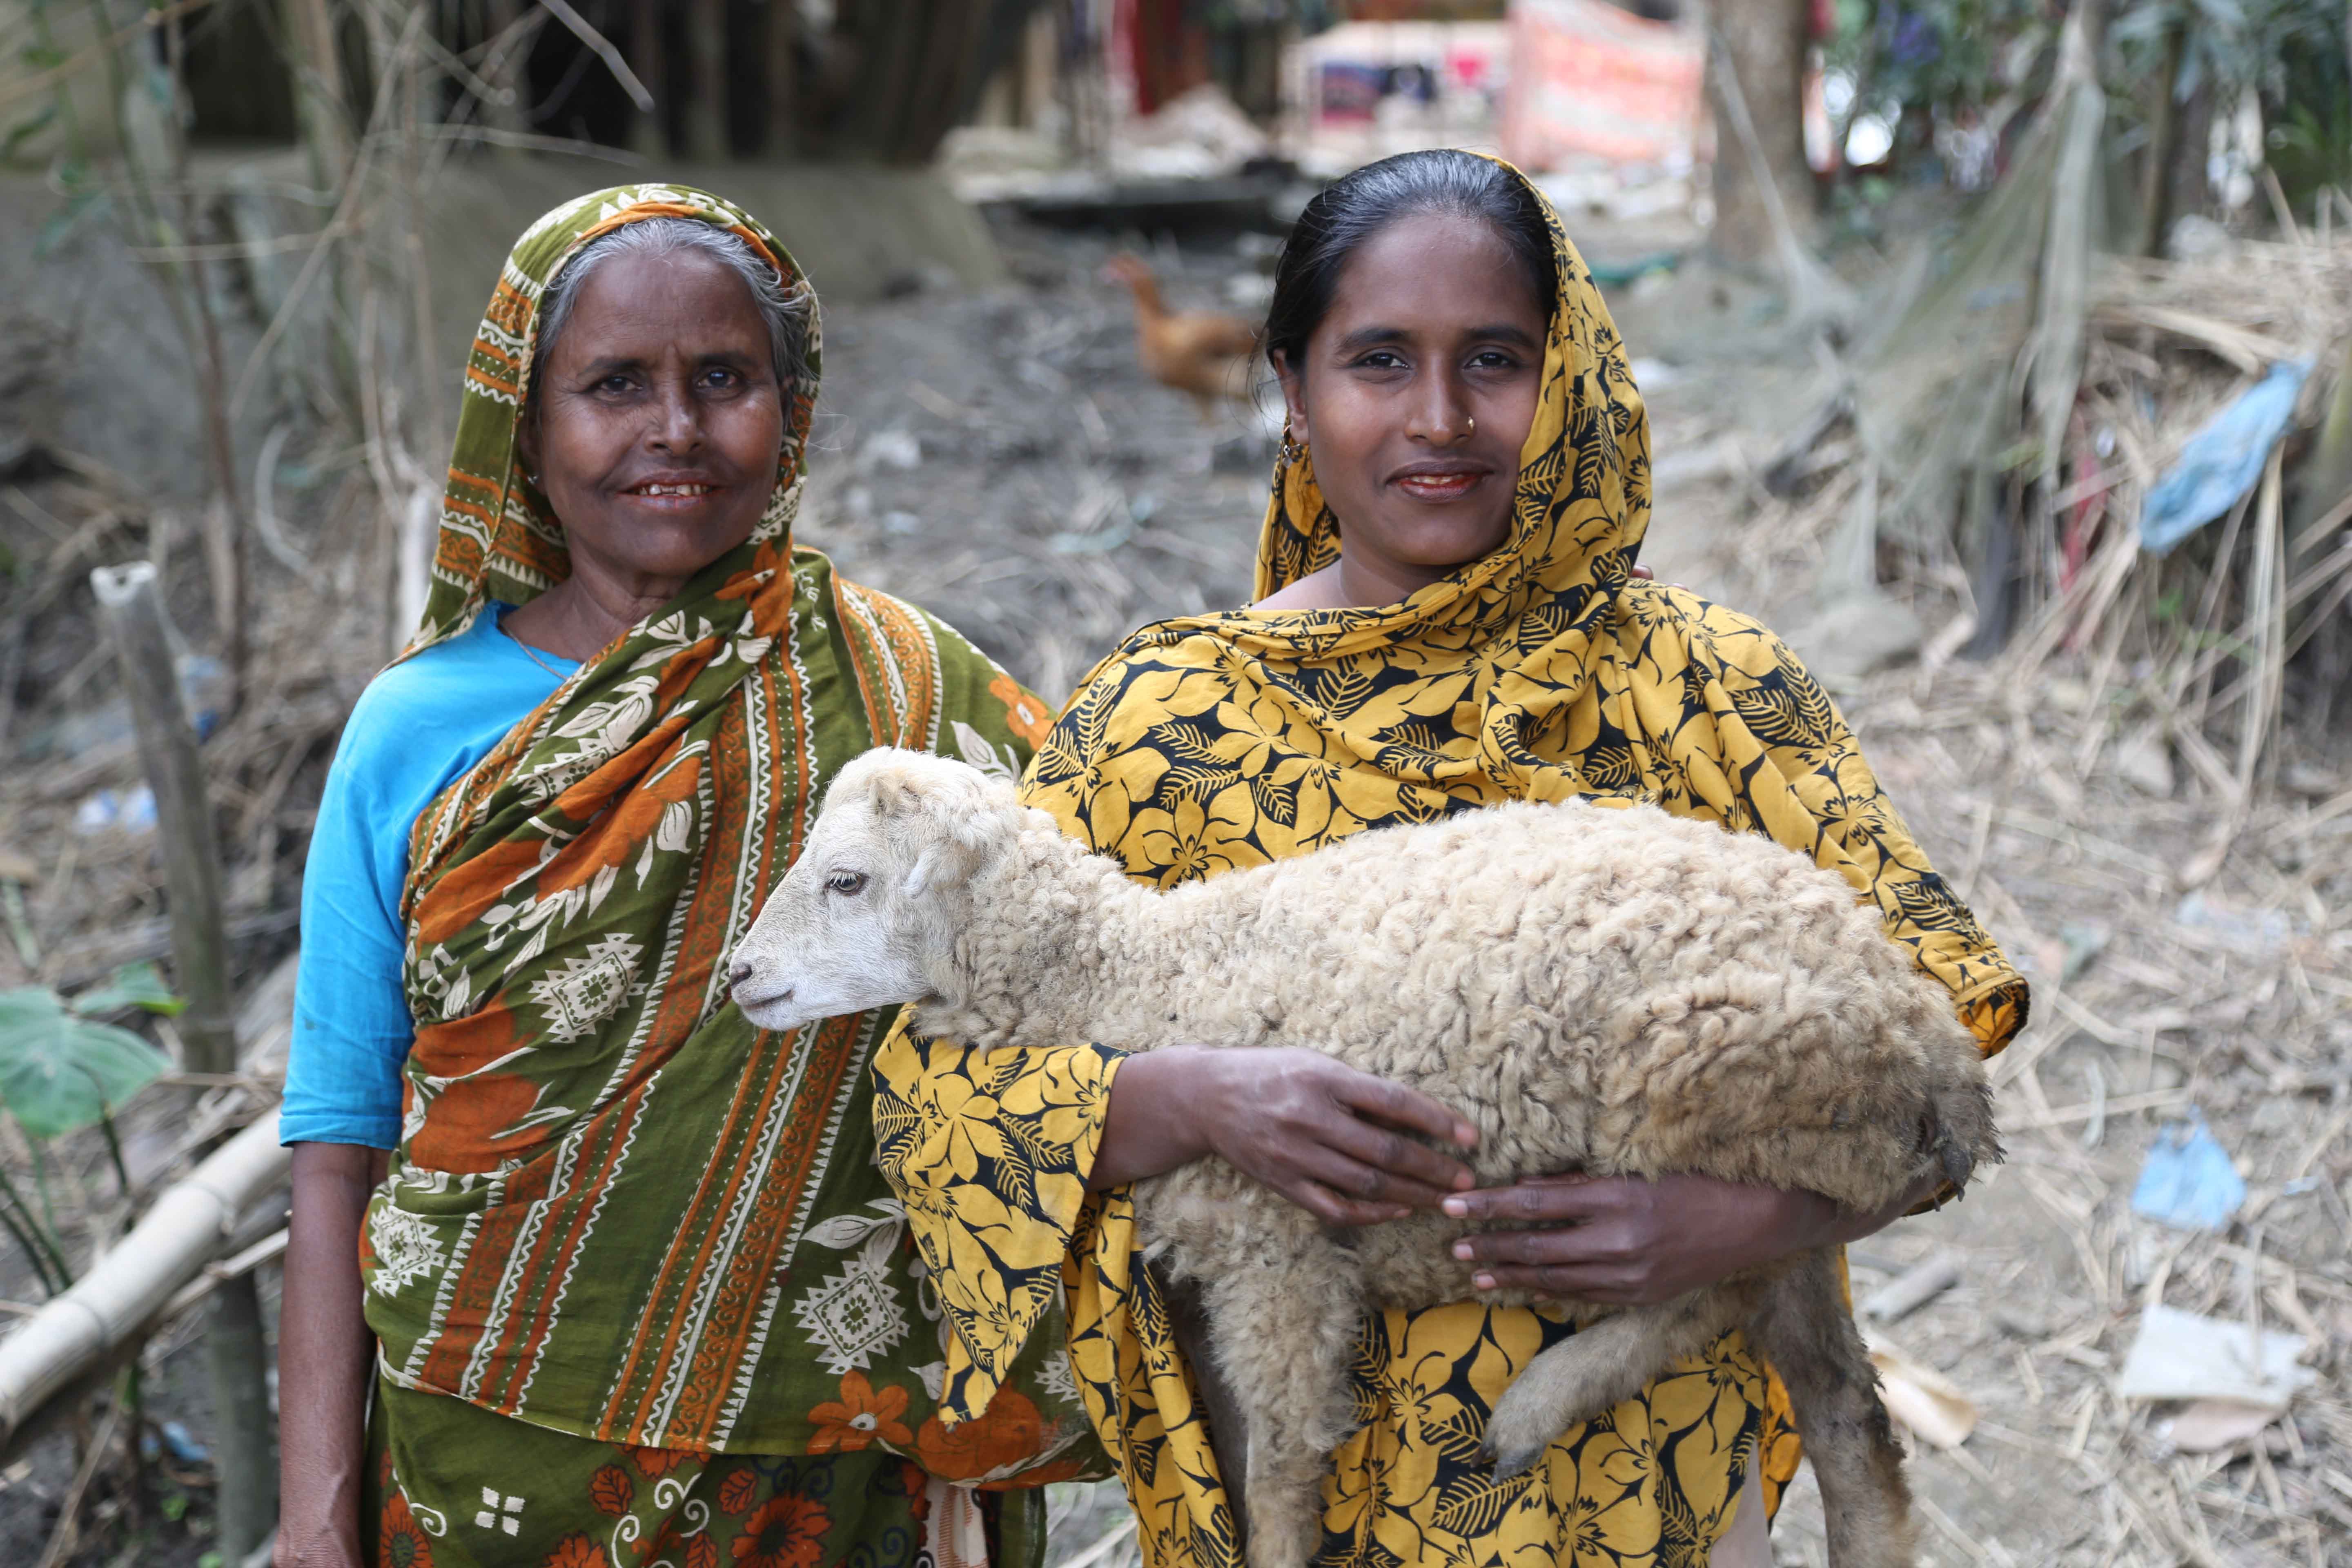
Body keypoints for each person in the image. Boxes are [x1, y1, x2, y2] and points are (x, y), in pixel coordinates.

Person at [874, 151, 2027, 1568]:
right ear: (1293, 395)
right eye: (1378, 361)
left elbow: (1939, 1066)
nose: (1439, 417)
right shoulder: (1162, 725)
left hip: (1654, 1494)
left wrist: (1742, 1220)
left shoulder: (1706, 687)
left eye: (1496, 359)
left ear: (1575, 378)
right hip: (1299, 1504)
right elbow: (942, 1098)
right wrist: (1185, 1099)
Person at [276, 186, 1096, 1568]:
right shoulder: (413, 729)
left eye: (724, 380)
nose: (673, 428)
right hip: (486, 1444)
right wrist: (312, 1525)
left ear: (793, 408)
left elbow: (1080, 1003)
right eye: (613, 386)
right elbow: (336, 1135)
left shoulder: (912, 699)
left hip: (840, 1463)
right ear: (526, 429)